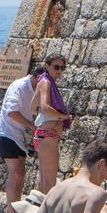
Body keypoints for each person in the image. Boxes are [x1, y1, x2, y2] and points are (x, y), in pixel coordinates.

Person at [0, 66, 38, 210]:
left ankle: (15, 212)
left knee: (21, 175)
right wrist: (32, 126)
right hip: (8, 134)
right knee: (16, 174)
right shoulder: (19, 86)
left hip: (19, 136)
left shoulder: (36, 89)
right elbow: (11, 113)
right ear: (37, 77)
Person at [30, 54, 74, 196]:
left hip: (44, 135)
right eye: (56, 67)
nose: (59, 71)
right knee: (49, 184)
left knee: (44, 183)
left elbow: (32, 107)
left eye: (62, 68)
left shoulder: (43, 82)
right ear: (47, 66)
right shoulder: (46, 83)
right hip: (49, 136)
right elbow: (45, 108)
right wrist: (64, 116)